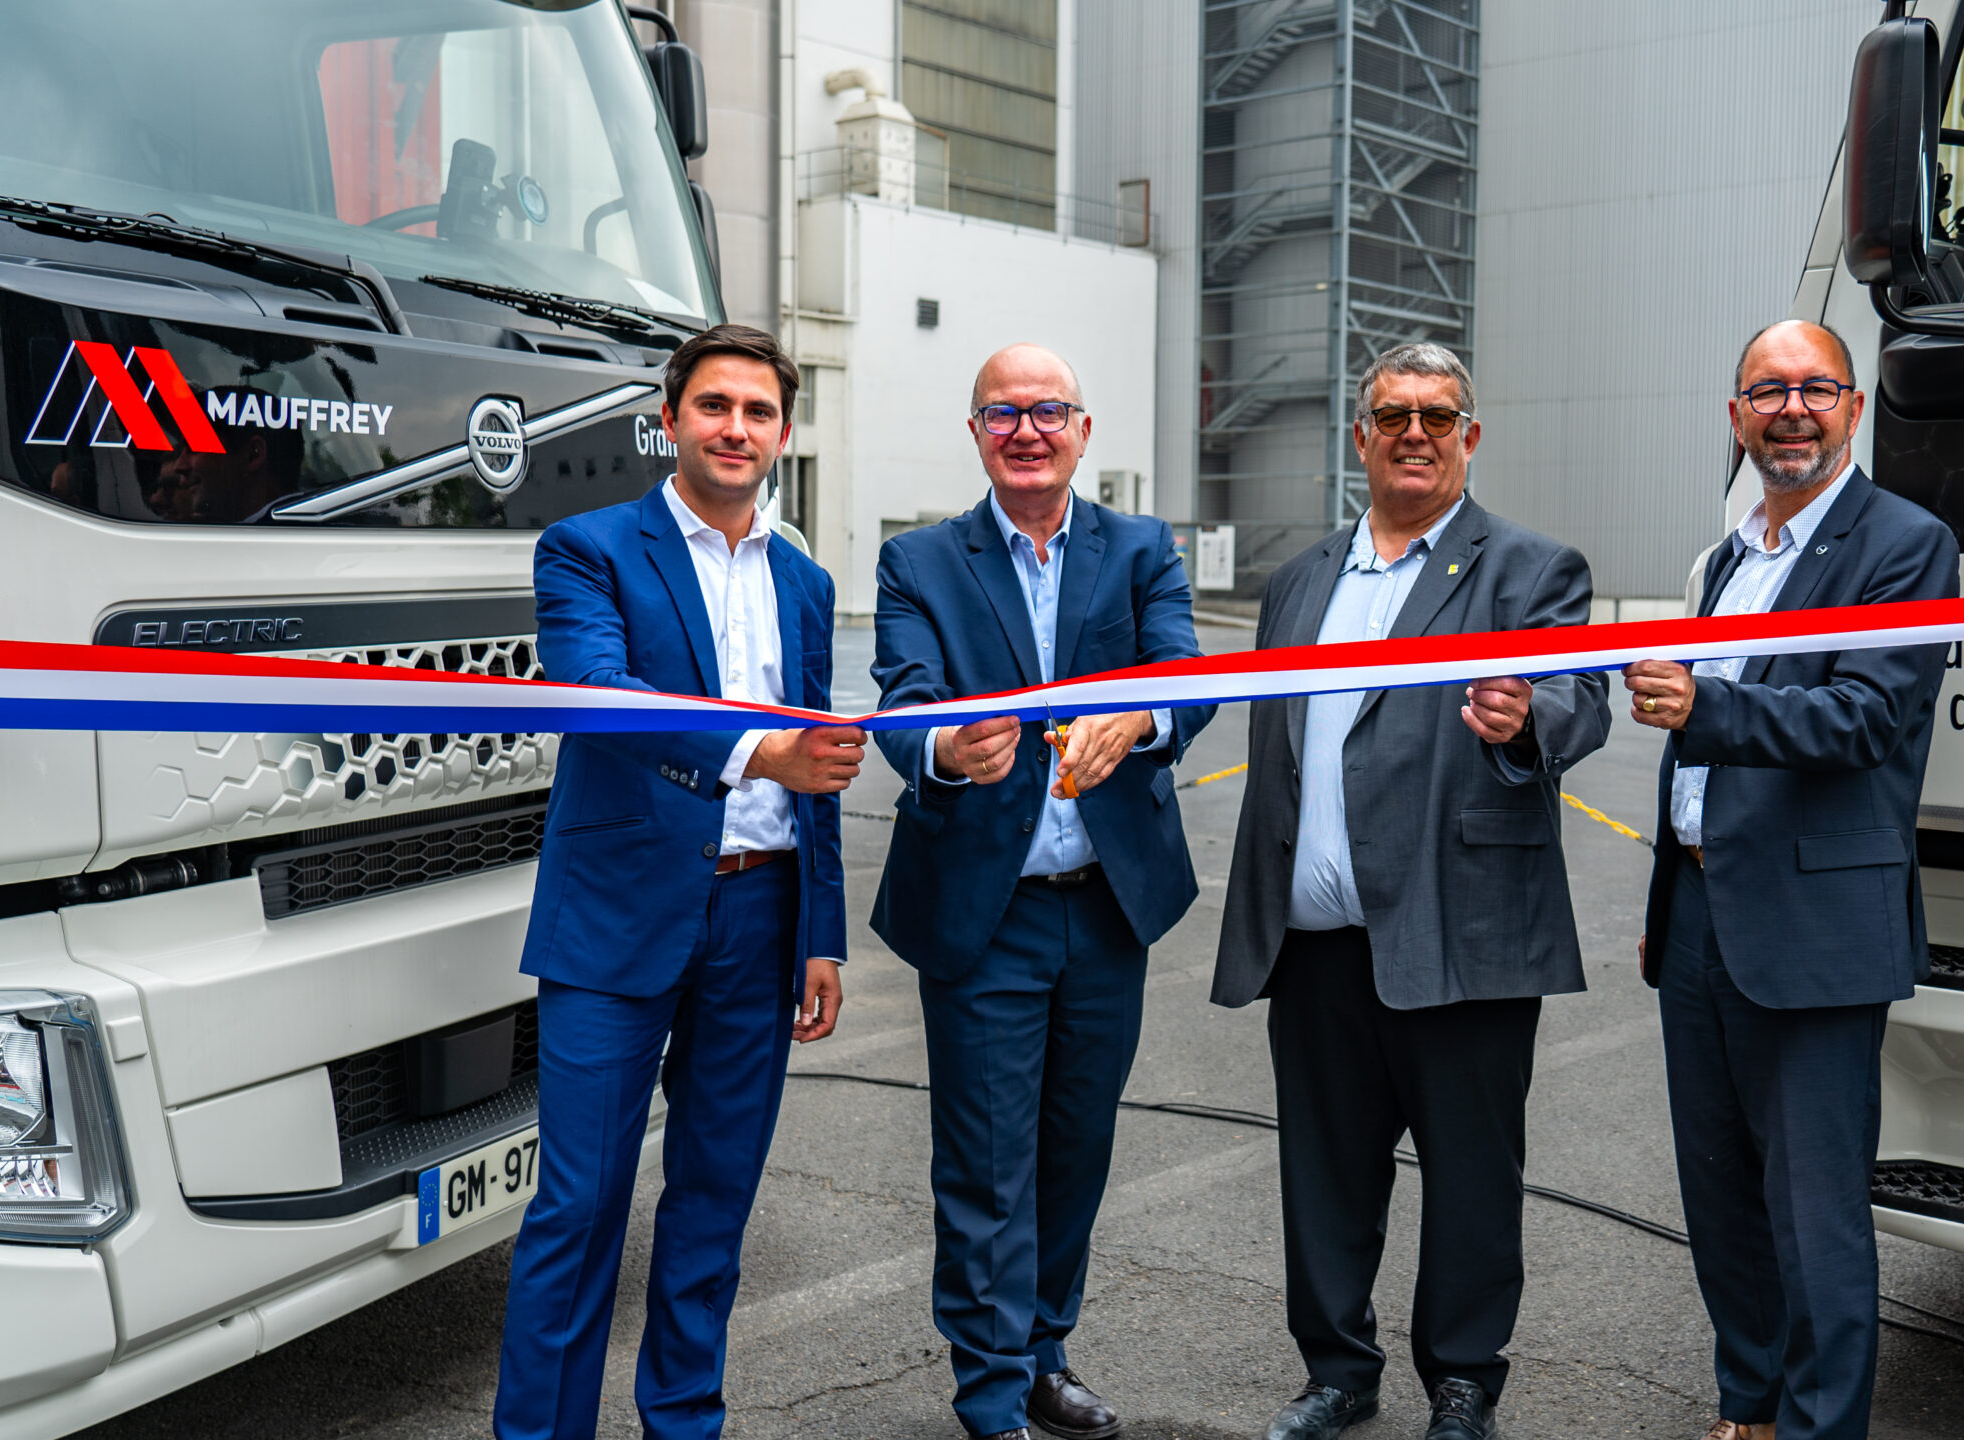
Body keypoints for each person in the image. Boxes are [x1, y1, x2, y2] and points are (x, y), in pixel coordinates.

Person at [1213, 341, 1609, 1440]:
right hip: (1316, 943)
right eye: (1394, 415)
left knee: (1473, 1177)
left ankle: (1464, 1379)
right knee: (1324, 1173)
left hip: (1463, 934)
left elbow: (1579, 697)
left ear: (1469, 437)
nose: (1415, 434)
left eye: (1438, 416)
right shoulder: (1300, 581)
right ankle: (1337, 1371)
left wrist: (1528, 720)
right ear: (1362, 437)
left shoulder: (1529, 570)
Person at [495, 322, 862, 1440]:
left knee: (714, 1199)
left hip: (763, 912)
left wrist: (822, 933)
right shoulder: (588, 549)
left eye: (758, 412)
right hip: (617, 914)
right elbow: (599, 695)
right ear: (670, 420)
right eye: (714, 405)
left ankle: (684, 1422)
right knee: (580, 1205)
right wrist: (759, 753)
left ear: (783, 434)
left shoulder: (805, 582)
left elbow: (820, 767)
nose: (735, 428)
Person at [870, 343, 1215, 1440]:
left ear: (1083, 430)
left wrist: (1142, 716)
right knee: (985, 1161)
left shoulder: (1140, 549)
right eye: (1003, 412)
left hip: (1108, 907)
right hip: (987, 909)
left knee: (1076, 1148)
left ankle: (1041, 1352)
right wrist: (946, 746)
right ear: (976, 432)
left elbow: (1186, 676)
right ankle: (988, 1391)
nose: (1027, 430)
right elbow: (904, 702)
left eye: (1048, 411)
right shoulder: (919, 561)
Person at [1626, 320, 1960, 1440]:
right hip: (1698, 911)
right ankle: (1751, 1410)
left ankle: (1819, 1429)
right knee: (1719, 1192)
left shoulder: (1903, 545)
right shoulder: (1729, 561)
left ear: (1854, 409)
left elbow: (1866, 719)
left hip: (1813, 922)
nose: (1792, 410)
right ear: (1737, 418)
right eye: (1767, 392)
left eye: (1816, 388)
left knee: (1814, 1216)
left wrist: (1704, 705)